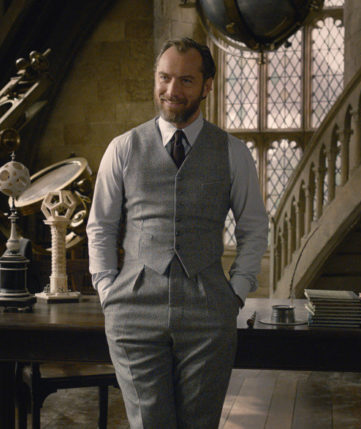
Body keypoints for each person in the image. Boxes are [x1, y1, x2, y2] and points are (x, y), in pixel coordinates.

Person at [86, 37, 268, 429]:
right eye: (164, 78)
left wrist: (236, 292)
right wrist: (106, 289)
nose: (172, 90)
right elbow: (100, 225)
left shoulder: (233, 152)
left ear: (207, 86)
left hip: (208, 308)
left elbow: (254, 226)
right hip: (133, 306)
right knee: (148, 423)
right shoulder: (123, 148)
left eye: (186, 80)